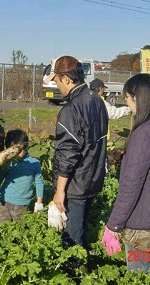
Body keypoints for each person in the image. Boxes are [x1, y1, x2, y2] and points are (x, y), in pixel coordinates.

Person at [105, 73, 150, 273]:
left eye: (127, 98)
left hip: (141, 223)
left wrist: (114, 225)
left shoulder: (142, 134)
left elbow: (130, 185)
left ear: (137, 97)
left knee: (139, 275)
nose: (128, 104)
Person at [44, 56, 108, 260]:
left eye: (57, 80)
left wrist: (59, 191)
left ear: (67, 79)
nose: (57, 85)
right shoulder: (96, 99)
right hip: (94, 176)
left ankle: (78, 271)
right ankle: (86, 260)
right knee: (81, 227)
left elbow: (68, 154)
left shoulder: (71, 109)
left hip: (77, 183)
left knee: (73, 240)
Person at [0, 129, 44, 225]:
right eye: (12, 151)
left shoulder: (34, 163)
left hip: (22, 204)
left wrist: (39, 202)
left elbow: (39, 182)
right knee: (3, 228)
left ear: (26, 146)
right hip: (4, 201)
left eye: (18, 150)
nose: (16, 153)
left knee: (20, 230)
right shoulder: (8, 162)